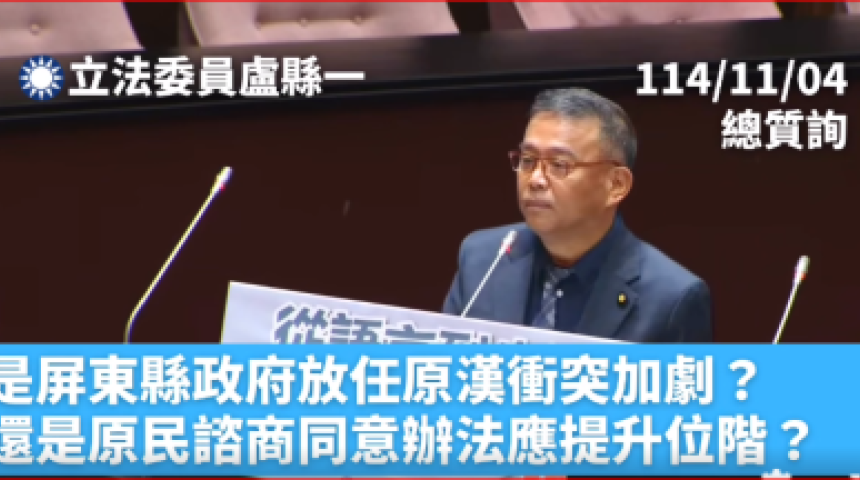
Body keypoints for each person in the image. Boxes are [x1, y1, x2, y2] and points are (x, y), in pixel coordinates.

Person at [442, 87, 712, 342]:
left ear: (616, 185)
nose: (535, 179)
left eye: (559, 164)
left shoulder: (672, 299)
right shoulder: (483, 259)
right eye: (528, 160)